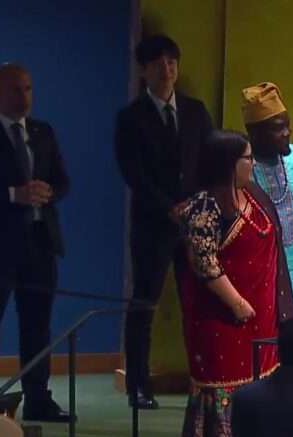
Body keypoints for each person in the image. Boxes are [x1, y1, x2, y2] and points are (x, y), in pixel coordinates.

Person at [177, 130, 293, 437]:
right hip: (223, 319)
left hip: (262, 318)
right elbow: (204, 263)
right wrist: (237, 304)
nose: (252, 164)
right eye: (247, 158)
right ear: (229, 164)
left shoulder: (252, 198)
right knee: (227, 384)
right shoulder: (204, 206)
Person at [0, 63, 71, 422]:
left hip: (39, 244)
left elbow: (63, 179)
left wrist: (48, 191)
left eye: (27, 89)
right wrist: (14, 194)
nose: (23, 97)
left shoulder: (43, 132)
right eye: (15, 90)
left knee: (37, 326)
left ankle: (38, 397)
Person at [115, 34, 214, 410]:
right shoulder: (131, 118)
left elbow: (209, 162)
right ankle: (138, 384)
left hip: (194, 225)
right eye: (158, 64)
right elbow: (132, 172)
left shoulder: (195, 111)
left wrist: (197, 206)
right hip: (152, 225)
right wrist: (168, 207)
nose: (167, 70)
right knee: (144, 304)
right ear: (144, 71)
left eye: (172, 62)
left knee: (199, 304)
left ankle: (204, 380)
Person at [241, 82, 293, 315]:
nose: (287, 132)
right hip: (260, 278)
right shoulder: (245, 169)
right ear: (254, 134)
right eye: (277, 128)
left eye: (287, 125)